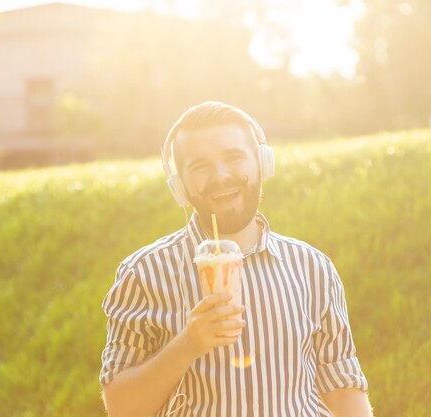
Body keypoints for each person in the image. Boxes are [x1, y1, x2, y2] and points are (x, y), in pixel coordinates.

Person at [100, 102, 373, 417]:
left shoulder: (313, 268)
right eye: (200, 166)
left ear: (262, 163)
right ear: (180, 186)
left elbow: (343, 391)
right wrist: (187, 345)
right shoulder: (143, 274)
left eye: (234, 157)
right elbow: (121, 408)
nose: (221, 176)